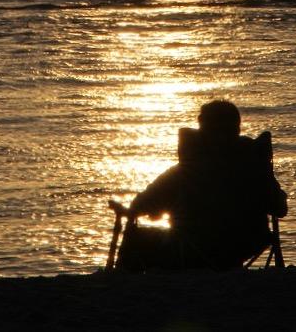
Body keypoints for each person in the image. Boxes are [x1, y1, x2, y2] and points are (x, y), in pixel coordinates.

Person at [117, 100, 287, 271]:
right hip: (243, 245)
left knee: (136, 238)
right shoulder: (255, 167)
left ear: (204, 132)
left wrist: (156, 210)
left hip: (194, 248)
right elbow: (280, 209)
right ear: (236, 129)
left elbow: (139, 206)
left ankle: (122, 286)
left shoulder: (185, 171)